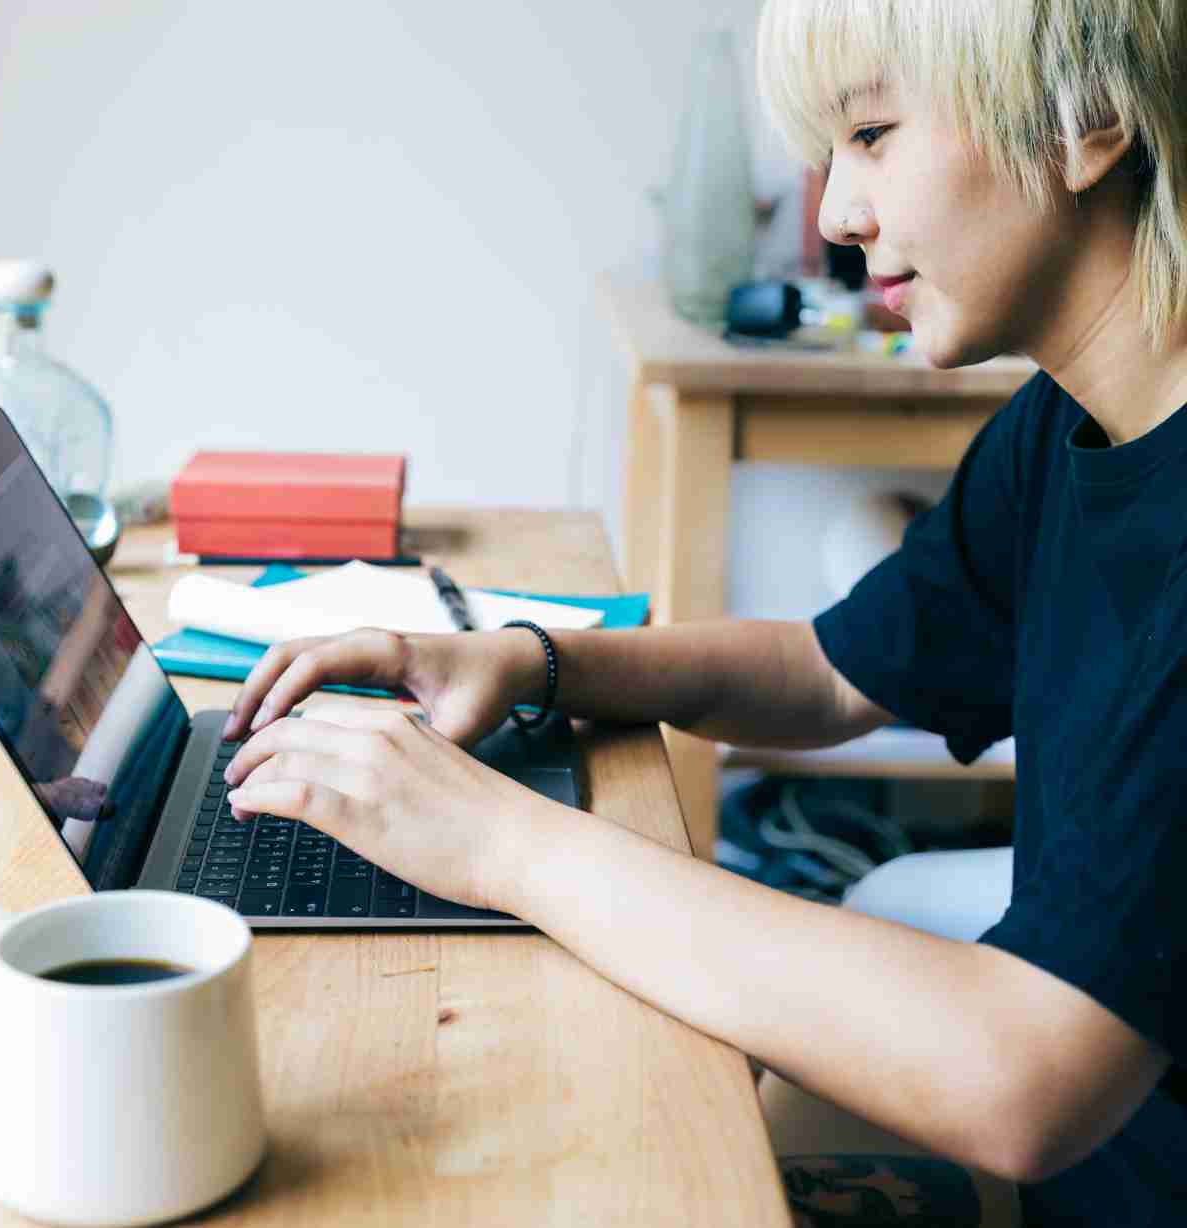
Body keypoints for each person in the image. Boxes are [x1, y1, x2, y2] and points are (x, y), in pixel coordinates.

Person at [218, 0, 1187, 1221]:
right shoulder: (1067, 421)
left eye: (873, 133)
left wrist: (495, 844)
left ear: (1087, 119)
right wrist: (529, 662)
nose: (836, 212)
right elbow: (834, 671)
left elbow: (1023, 1079)